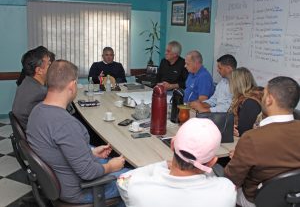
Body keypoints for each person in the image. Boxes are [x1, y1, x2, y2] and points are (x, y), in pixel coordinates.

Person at [26, 60, 128, 205]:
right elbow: (88, 173)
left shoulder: (37, 111)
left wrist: (90, 153)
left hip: (57, 183)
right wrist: (112, 166)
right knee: (136, 179)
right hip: (80, 190)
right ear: (72, 85)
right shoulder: (66, 124)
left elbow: (58, 151)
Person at [117, 118, 236, 207]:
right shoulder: (227, 191)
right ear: (212, 162)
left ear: (172, 144)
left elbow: (122, 179)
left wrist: (161, 165)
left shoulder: (135, 186)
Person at [224, 76, 300, 207]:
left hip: (256, 200)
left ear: (269, 99)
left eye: (264, 94)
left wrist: (238, 157)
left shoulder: (252, 138)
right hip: (293, 197)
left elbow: (231, 179)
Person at [12, 46, 51, 129]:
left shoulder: (27, 81)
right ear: (39, 70)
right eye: (49, 64)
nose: (52, 67)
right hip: (37, 136)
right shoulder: (40, 93)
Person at [228, 67, 263, 136]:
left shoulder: (250, 102)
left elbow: (244, 130)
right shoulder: (245, 97)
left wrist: (232, 129)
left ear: (236, 84)